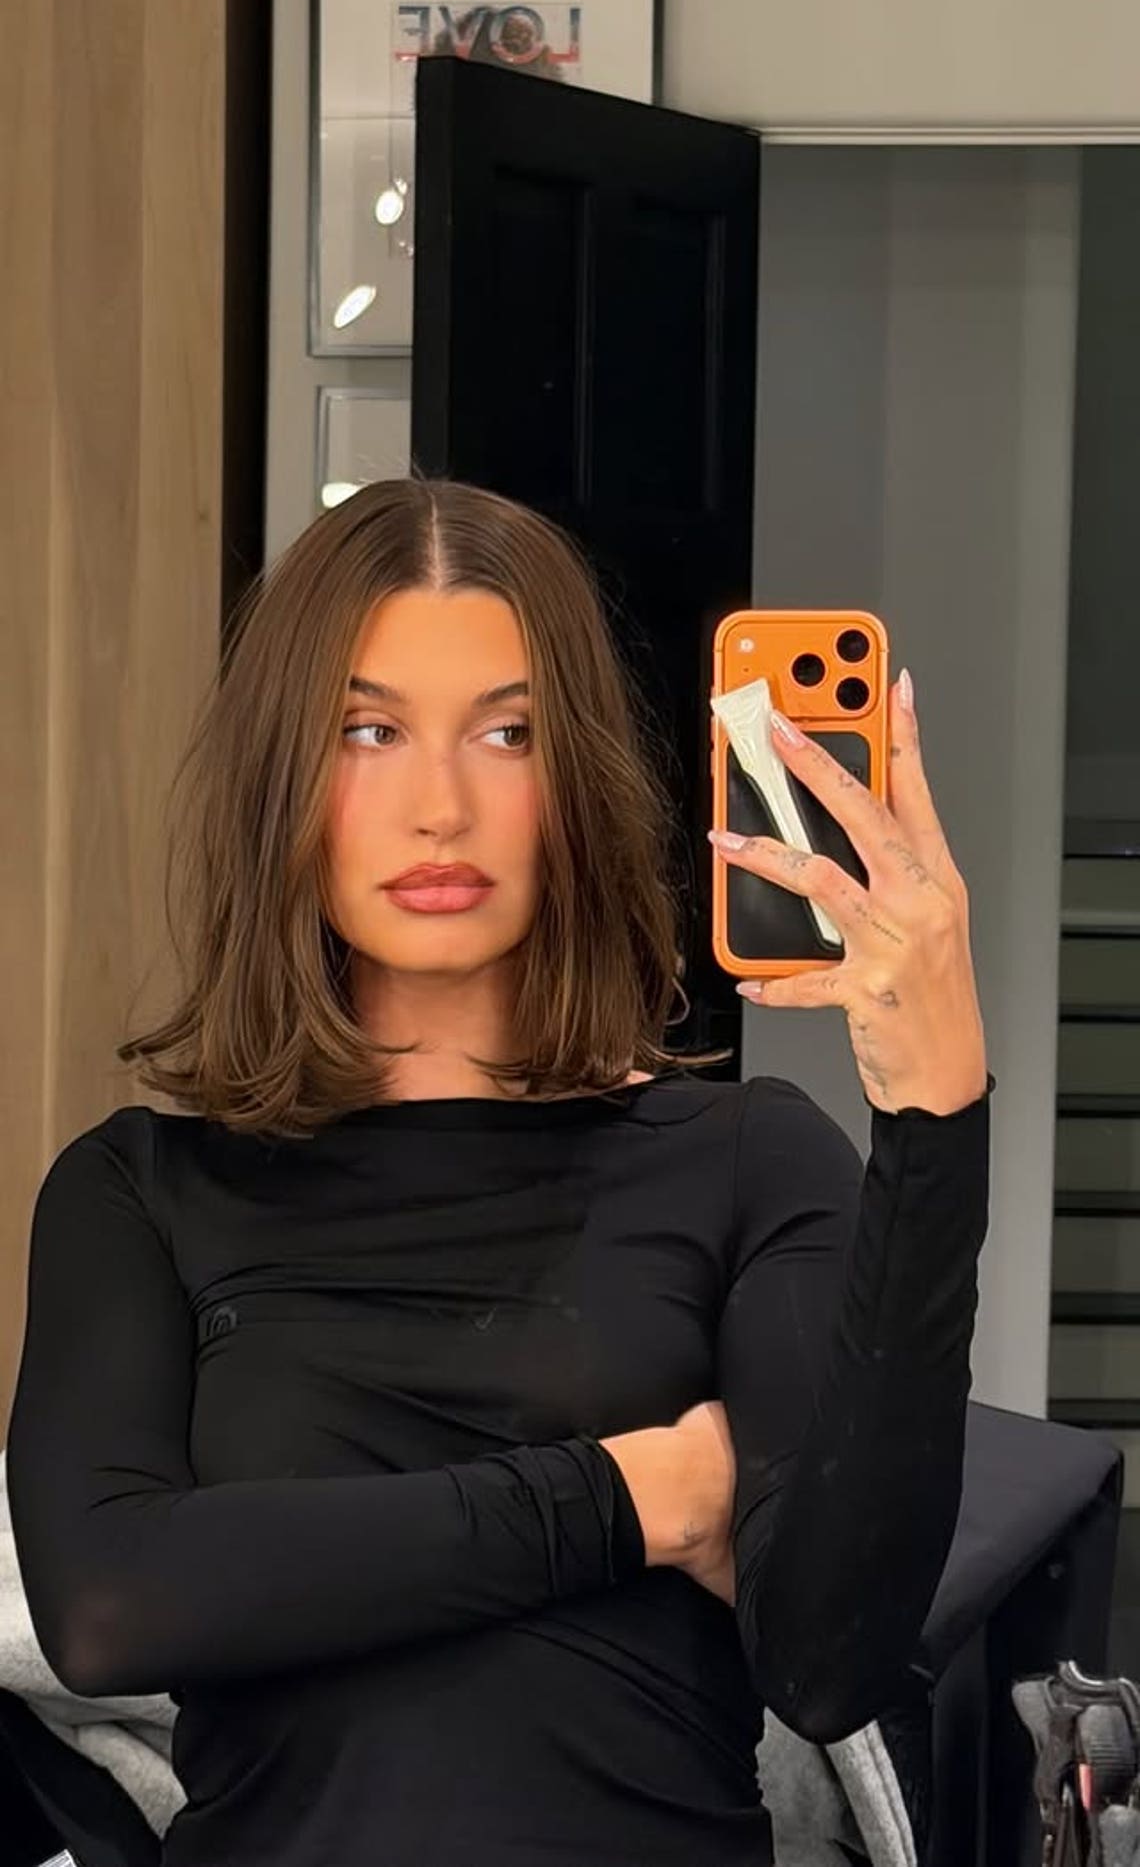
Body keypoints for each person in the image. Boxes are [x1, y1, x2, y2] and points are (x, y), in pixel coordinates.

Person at [7, 478, 992, 1867]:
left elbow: (833, 1660)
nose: (442, 807)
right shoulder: (138, 1193)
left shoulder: (746, 1160)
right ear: (283, 777)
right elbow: (111, 1608)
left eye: (508, 733)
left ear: (575, 776)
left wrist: (936, 1114)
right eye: (369, 731)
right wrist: (634, 1497)